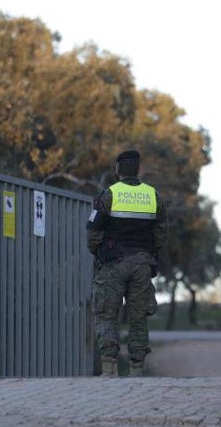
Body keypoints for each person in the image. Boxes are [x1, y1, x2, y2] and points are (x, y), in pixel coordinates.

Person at [86, 149, 167, 377]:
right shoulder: (154, 196)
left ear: (117, 170)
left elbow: (93, 231)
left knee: (107, 315)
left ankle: (109, 369)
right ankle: (137, 371)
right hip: (142, 264)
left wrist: (100, 253)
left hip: (113, 264)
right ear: (139, 170)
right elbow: (162, 235)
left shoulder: (109, 195)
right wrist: (150, 255)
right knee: (138, 317)